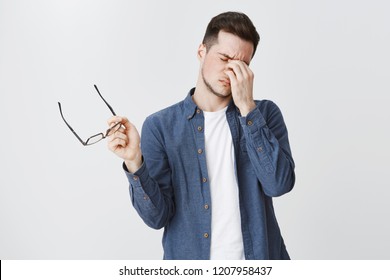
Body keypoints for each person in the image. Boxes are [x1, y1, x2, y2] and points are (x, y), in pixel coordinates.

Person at [107, 11, 295, 260]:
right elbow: (157, 218)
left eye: (242, 66)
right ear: (201, 52)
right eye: (224, 58)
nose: (231, 72)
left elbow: (279, 184)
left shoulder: (264, 114)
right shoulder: (160, 126)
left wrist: (248, 110)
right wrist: (134, 162)